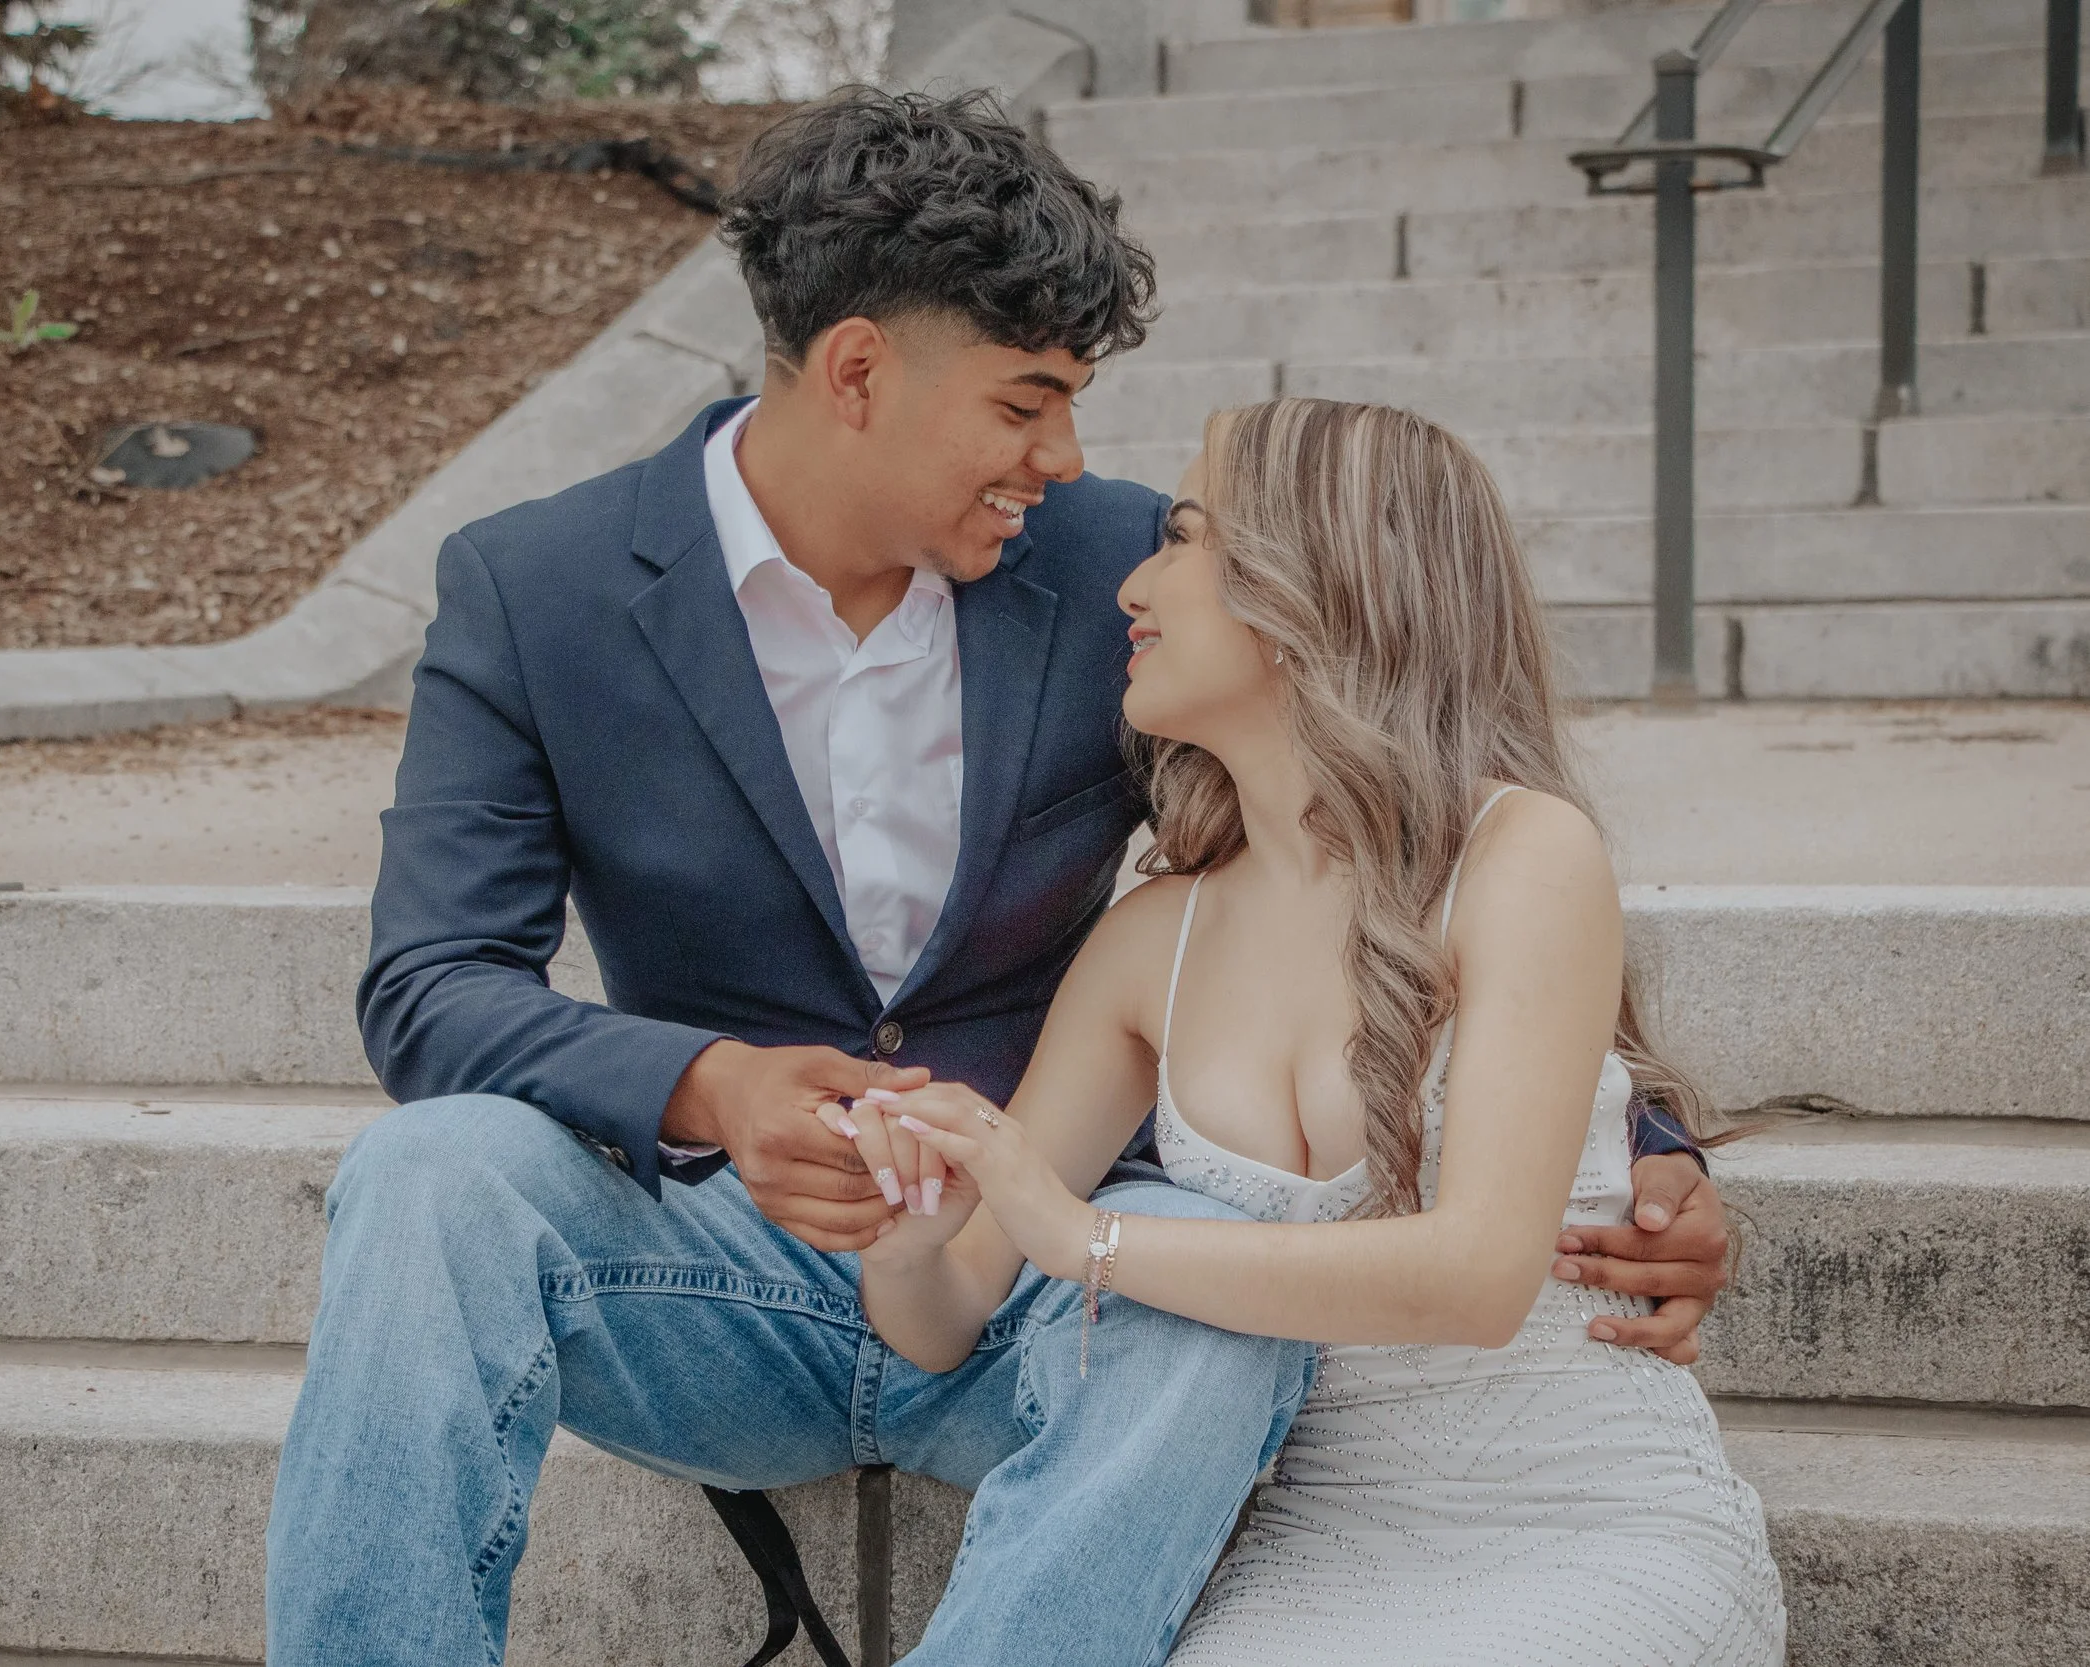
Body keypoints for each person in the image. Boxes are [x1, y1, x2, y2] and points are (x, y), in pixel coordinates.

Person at [264, 89, 1735, 1667]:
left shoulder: (1118, 566)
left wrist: (1631, 1150)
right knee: (429, 1173)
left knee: (1197, 1294)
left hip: (1054, 1267)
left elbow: (1383, 827)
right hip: (715, 1266)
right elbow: (431, 988)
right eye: (1027, 402)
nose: (1068, 456)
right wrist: (716, 1086)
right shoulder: (535, 586)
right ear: (857, 372)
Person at [843, 397, 1785, 1665]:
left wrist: (1084, 1237)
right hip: (1319, 1545)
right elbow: (951, 1307)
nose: (1134, 584)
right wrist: (908, 1236)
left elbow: (1476, 1278)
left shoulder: (1520, 854)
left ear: (1312, 587)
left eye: (1185, 536)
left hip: (1586, 1521)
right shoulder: (1150, 940)